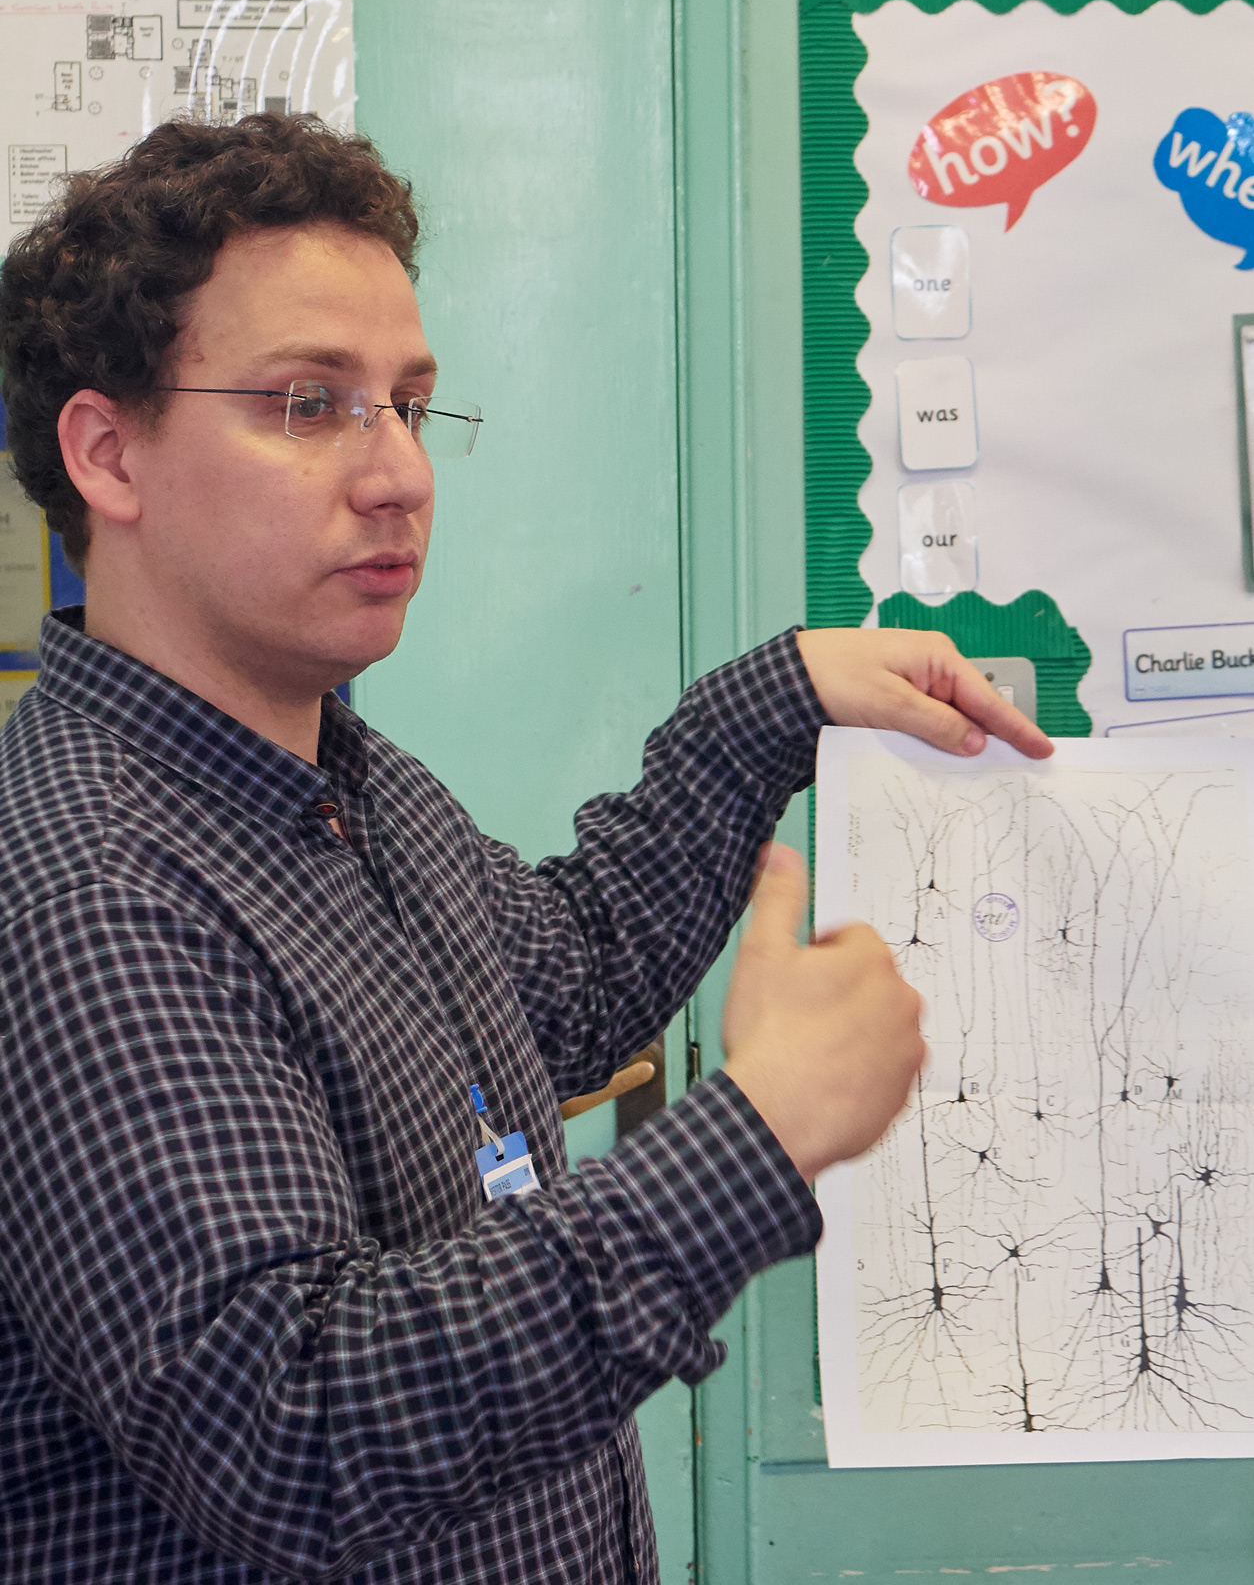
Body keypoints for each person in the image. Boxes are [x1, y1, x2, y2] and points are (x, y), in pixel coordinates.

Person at [0, 115, 1051, 1585]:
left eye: (409, 406)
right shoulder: (89, 886)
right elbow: (292, 1426)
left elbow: (567, 980)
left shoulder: (353, 786)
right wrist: (755, 1137)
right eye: (311, 404)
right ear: (108, 452)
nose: (398, 476)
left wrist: (772, 702)